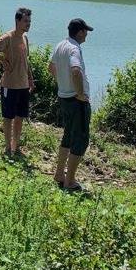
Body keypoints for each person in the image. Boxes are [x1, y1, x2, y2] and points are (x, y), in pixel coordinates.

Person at [49, 18, 93, 191]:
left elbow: (51, 68)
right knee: (80, 139)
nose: (87, 35)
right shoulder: (74, 49)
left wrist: (63, 83)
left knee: (68, 136)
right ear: (80, 32)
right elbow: (76, 71)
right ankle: (70, 181)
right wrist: (81, 94)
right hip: (76, 101)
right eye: (86, 31)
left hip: (64, 98)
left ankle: (60, 174)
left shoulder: (61, 45)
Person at [0, 8, 34, 159]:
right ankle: (7, 147)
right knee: (8, 117)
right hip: (9, 85)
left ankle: (16, 146)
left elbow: (26, 61)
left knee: (20, 116)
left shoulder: (25, 38)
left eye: (29, 22)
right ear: (17, 21)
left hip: (23, 85)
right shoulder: (8, 37)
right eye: (25, 21)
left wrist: (30, 79)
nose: (28, 24)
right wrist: (2, 61)